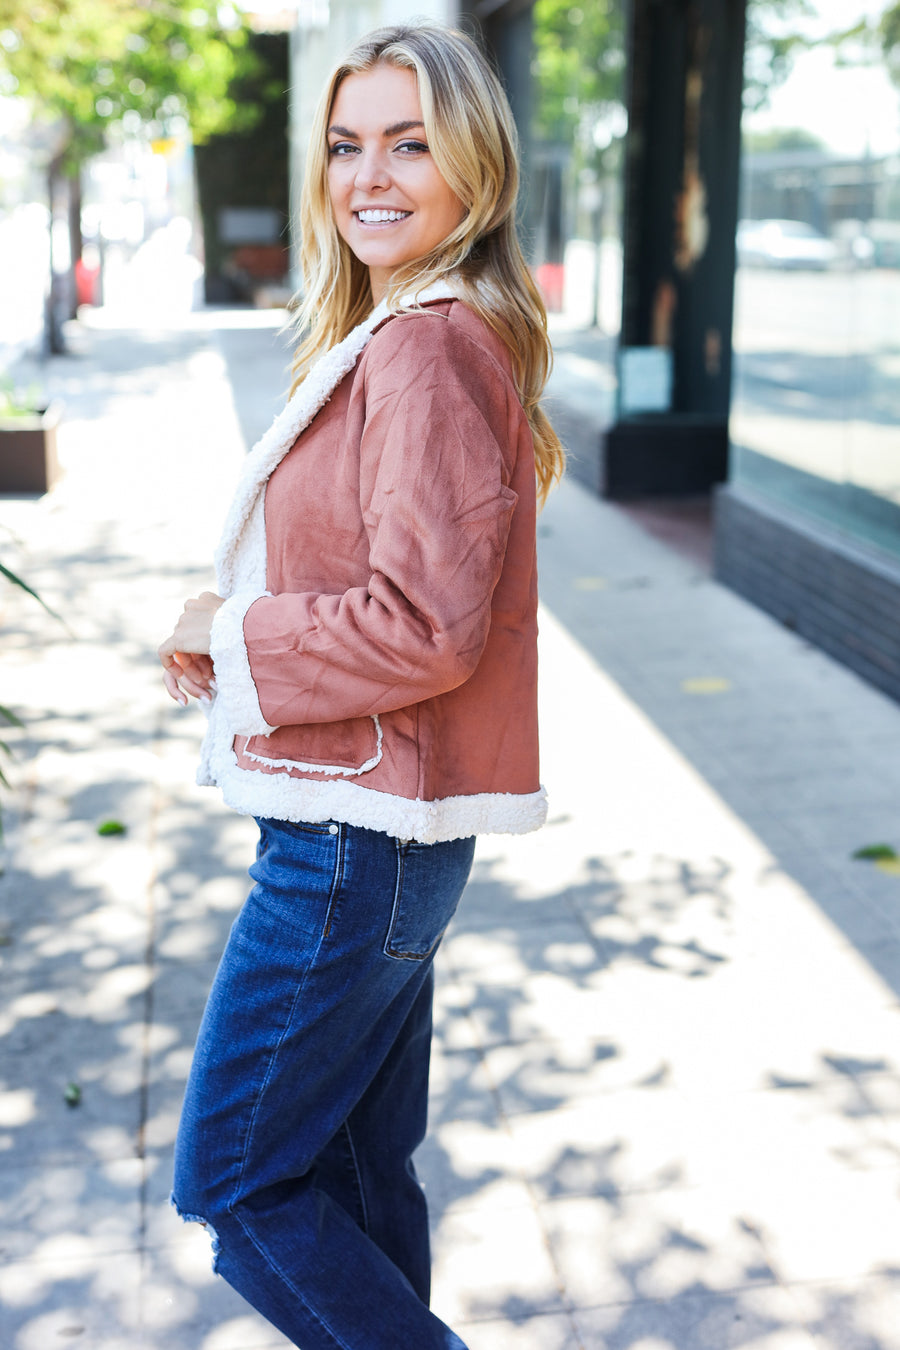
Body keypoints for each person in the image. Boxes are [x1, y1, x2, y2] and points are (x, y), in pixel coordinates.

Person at [158, 20, 563, 1350]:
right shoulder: (425, 332)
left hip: (351, 844)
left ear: (475, 167)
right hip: (384, 834)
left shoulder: (425, 347)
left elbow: (424, 626)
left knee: (233, 1177)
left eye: (409, 142)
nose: (368, 176)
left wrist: (232, 633)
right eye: (345, 144)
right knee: (346, 1172)